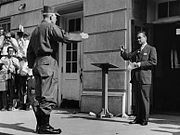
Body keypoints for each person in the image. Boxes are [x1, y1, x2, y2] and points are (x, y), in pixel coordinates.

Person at [27, 5, 88, 134]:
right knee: (48, 97)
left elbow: (29, 51)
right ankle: (44, 127)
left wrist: (32, 65)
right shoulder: (50, 27)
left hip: (37, 64)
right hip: (48, 63)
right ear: (51, 16)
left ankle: (40, 125)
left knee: (39, 96)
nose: (56, 19)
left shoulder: (35, 30)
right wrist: (80, 37)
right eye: (55, 17)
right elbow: (64, 36)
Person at [120, 31, 157, 126]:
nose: (138, 40)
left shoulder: (151, 49)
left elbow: (153, 62)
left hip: (145, 79)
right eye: (137, 38)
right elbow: (128, 57)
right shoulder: (137, 50)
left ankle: (144, 120)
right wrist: (123, 52)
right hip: (136, 78)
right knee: (137, 99)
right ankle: (138, 118)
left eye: (140, 38)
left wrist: (140, 64)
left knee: (144, 99)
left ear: (145, 38)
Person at [0, 46, 20, 111]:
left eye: (12, 51)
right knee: (4, 91)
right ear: (7, 52)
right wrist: (2, 66)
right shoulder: (3, 58)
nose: (10, 52)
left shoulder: (15, 59)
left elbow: (18, 68)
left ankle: (10, 105)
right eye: (9, 51)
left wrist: (15, 65)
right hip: (4, 75)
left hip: (11, 74)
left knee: (11, 90)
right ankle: (4, 106)